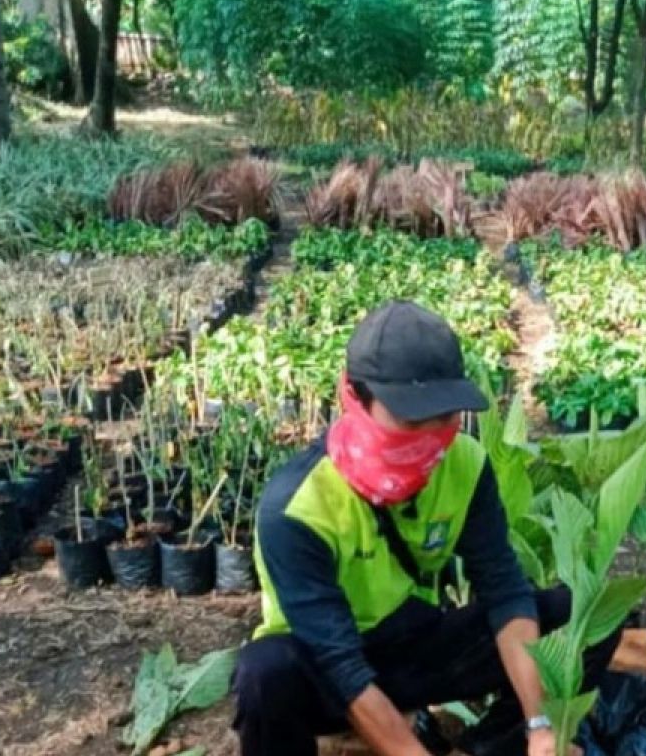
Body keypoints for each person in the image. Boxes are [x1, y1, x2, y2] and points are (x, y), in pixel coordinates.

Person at [232, 301, 618, 756]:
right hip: (325, 674)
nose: (431, 438)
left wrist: (539, 726)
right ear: (353, 398)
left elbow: (503, 590)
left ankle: (485, 748)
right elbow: (339, 665)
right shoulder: (295, 508)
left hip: (413, 649)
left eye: (444, 417)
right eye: (412, 420)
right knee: (266, 673)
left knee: (584, 616)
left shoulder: (466, 465)